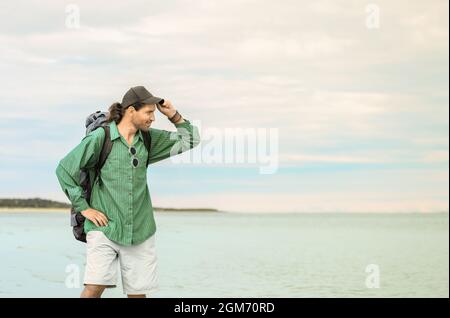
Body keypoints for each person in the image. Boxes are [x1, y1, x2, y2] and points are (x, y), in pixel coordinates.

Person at [55, 86, 200, 298]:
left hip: (141, 230)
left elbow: (190, 140)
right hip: (104, 227)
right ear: (131, 110)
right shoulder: (100, 138)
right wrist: (84, 209)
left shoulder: (149, 139)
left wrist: (174, 115)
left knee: (138, 295)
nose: (153, 118)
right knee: (94, 288)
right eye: (149, 112)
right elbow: (64, 169)